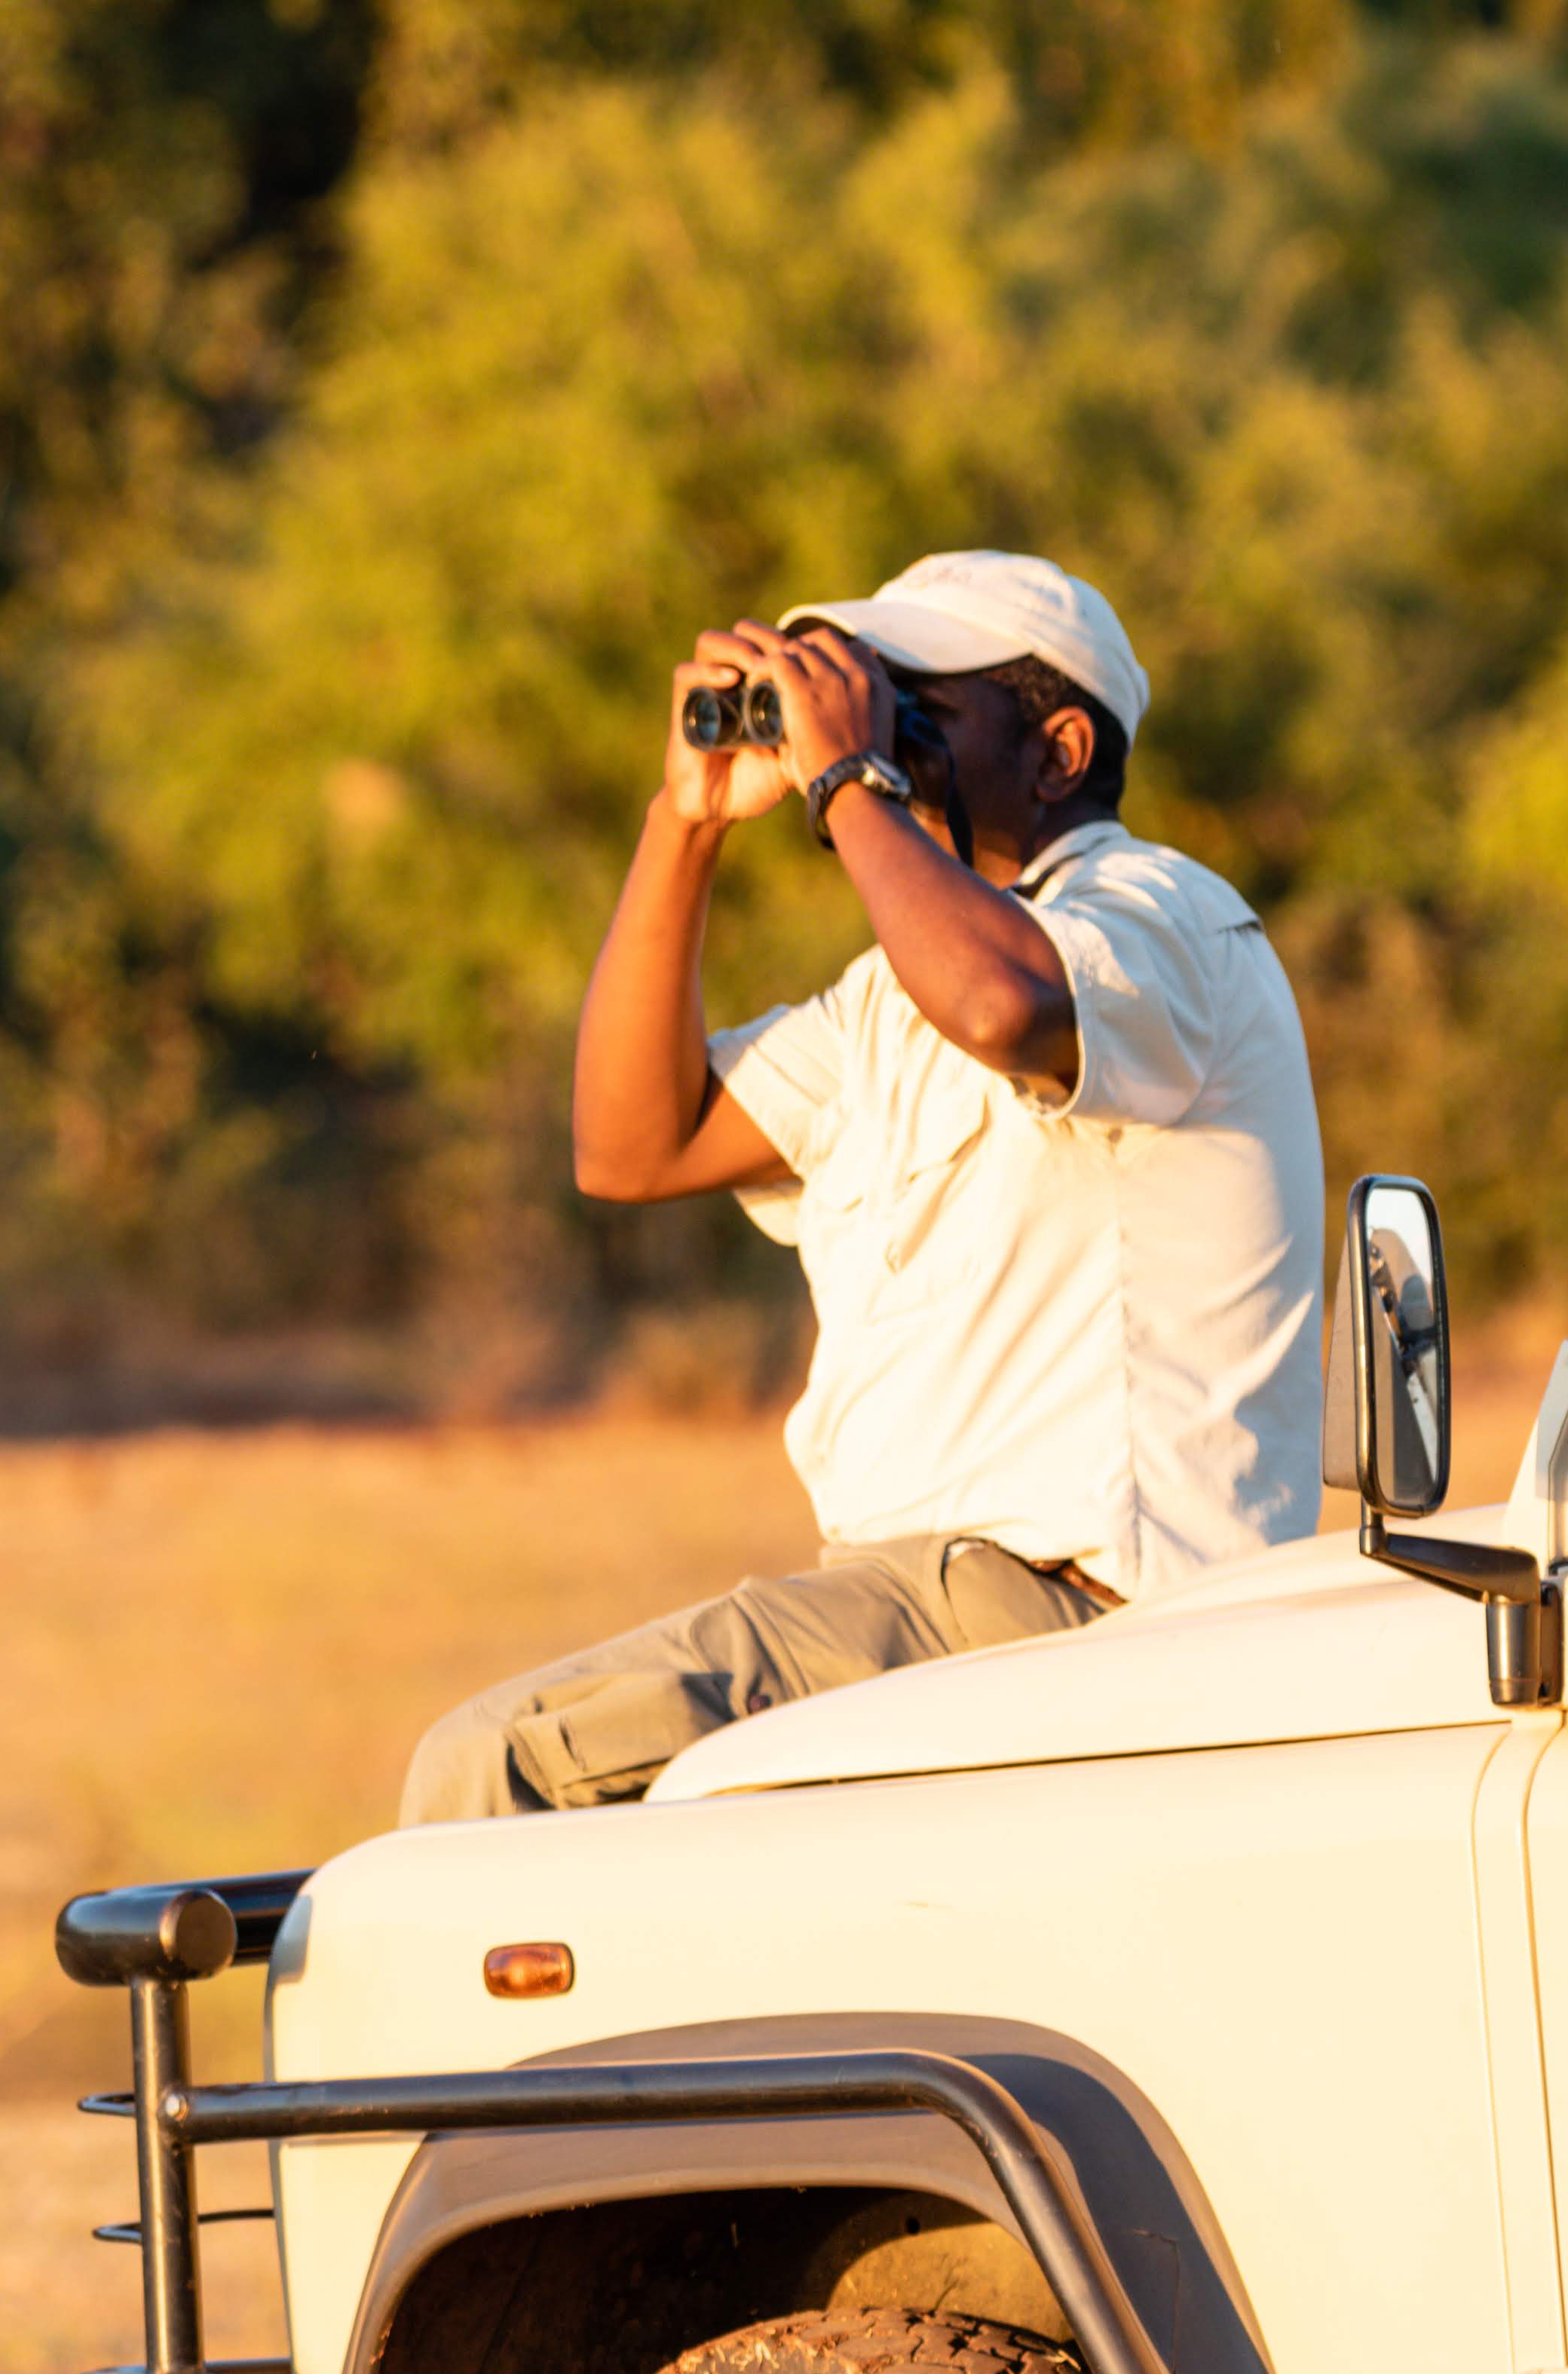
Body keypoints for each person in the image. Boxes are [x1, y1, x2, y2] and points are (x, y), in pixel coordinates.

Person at [397, 550, 1325, 1823]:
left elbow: (1002, 1002)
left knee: (492, 1765)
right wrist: (686, 823)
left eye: (918, 713)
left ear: (1057, 750)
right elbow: (631, 1146)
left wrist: (843, 782)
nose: (879, 739)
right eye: (865, 707)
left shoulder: (1159, 912)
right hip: (907, 1604)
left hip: (1072, 1614)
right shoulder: (888, 999)